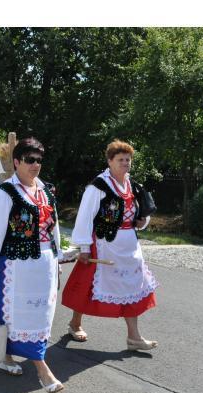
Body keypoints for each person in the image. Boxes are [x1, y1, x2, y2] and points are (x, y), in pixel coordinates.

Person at [0, 137, 64, 393]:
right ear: (16, 162)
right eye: (30, 160)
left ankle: (6, 355)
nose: (35, 165)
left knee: (40, 314)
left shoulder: (45, 191)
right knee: (16, 315)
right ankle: (42, 370)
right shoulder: (5, 193)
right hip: (16, 267)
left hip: (44, 266)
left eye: (39, 160)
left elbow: (53, 228)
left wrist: (58, 258)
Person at [61, 140, 159, 351]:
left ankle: (134, 337)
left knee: (132, 286)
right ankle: (75, 323)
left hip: (129, 246)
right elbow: (85, 217)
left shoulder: (132, 185)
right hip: (104, 245)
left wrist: (142, 221)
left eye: (128, 159)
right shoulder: (98, 186)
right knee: (89, 285)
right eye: (120, 159)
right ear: (110, 161)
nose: (125, 163)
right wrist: (84, 247)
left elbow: (140, 212)